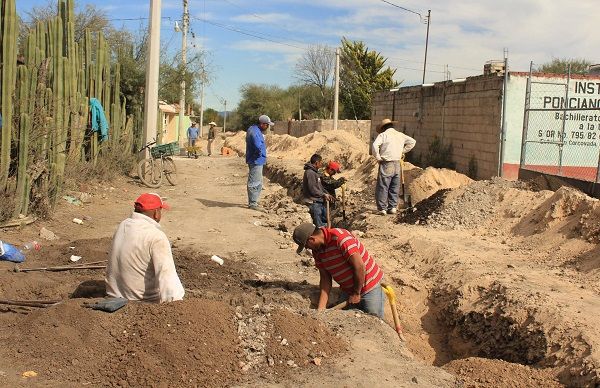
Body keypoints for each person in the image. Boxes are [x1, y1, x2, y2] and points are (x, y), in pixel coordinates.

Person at [105, 193, 185, 303]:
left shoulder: (122, 225)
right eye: (160, 210)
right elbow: (167, 279)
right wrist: (175, 305)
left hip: (114, 297)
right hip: (142, 302)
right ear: (156, 213)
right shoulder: (156, 236)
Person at [293, 223, 385, 318]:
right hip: (348, 290)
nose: (307, 248)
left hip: (369, 286)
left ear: (312, 239)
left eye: (306, 245)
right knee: (345, 321)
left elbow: (359, 267)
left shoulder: (341, 238)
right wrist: (321, 309)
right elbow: (325, 278)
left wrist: (356, 293)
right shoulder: (317, 251)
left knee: (374, 319)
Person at [372, 118, 416, 215]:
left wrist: (378, 157)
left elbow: (375, 146)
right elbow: (412, 142)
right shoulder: (400, 135)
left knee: (383, 186)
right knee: (394, 186)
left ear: (383, 128)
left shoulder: (383, 135)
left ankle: (382, 209)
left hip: (386, 162)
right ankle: (392, 207)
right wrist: (402, 151)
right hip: (397, 163)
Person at [246, 114, 272, 211]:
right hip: (256, 160)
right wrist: (259, 154)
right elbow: (257, 146)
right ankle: (253, 203)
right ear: (262, 124)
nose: (268, 127)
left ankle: (254, 201)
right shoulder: (254, 131)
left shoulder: (254, 130)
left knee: (258, 181)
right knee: (254, 182)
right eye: (267, 125)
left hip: (257, 160)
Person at [302, 154, 334, 227]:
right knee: (320, 226)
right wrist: (323, 195)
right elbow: (312, 189)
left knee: (326, 222)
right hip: (314, 203)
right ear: (316, 163)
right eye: (320, 163)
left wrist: (326, 193)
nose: (321, 164)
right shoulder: (310, 173)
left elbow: (320, 187)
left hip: (319, 202)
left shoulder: (315, 173)